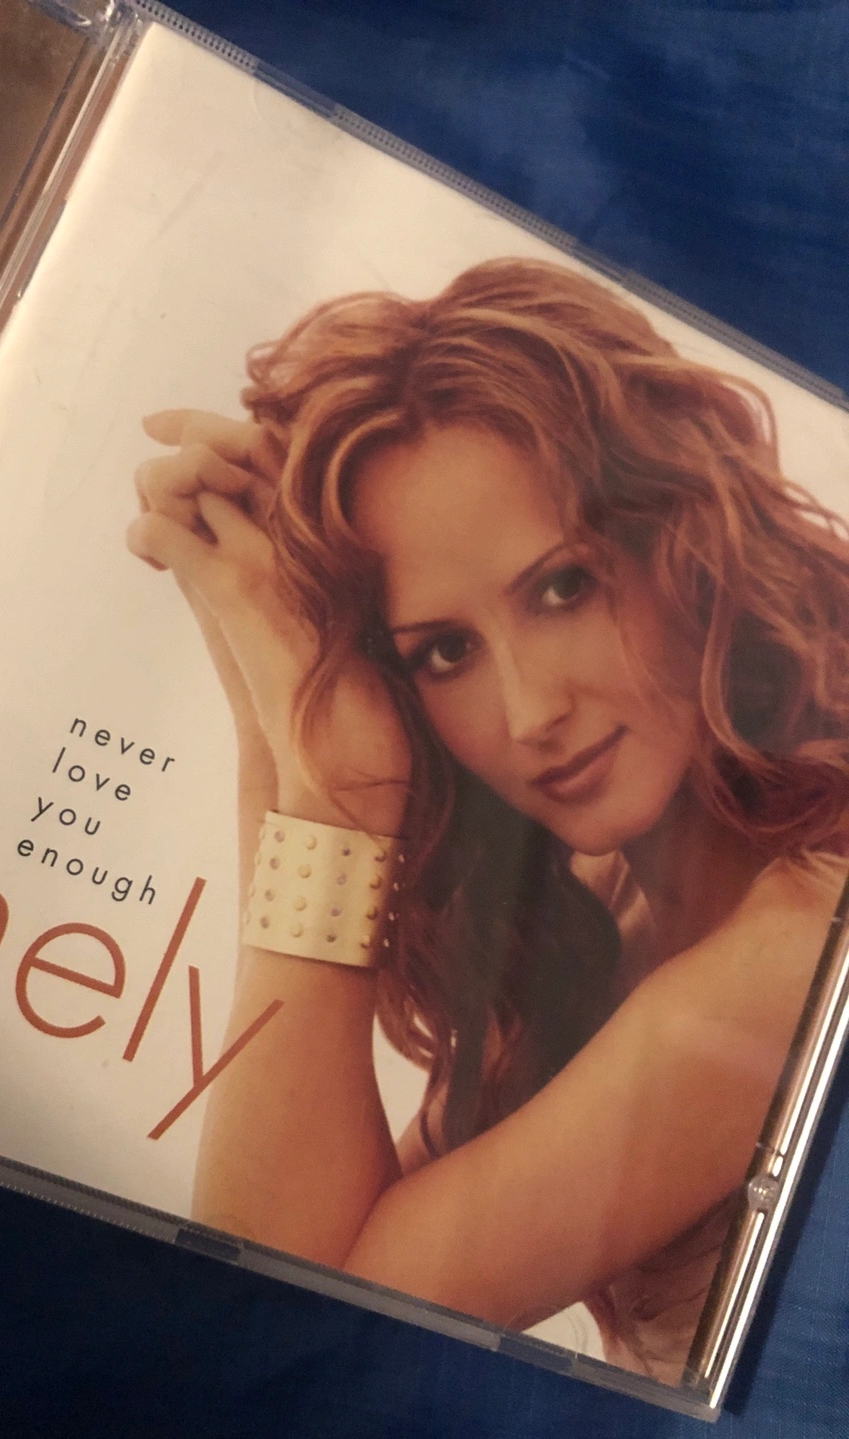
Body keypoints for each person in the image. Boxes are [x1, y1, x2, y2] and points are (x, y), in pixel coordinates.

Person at [126, 258, 849, 1382]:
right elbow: (291, 1265)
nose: (531, 711)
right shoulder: (599, 923)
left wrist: (331, 802)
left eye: (563, 588)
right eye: (445, 652)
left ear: (684, 539)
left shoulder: (800, 944)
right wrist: (272, 699)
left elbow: (286, 1341)